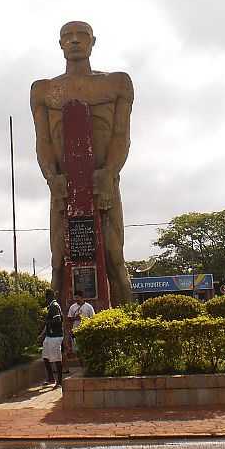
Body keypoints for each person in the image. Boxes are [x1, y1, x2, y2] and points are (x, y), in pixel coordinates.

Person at [30, 21, 134, 305]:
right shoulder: (44, 90)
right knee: (59, 261)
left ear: (93, 41)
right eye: (68, 37)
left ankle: (126, 322)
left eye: (81, 36)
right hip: (64, 186)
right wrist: (52, 177)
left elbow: (121, 134)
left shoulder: (116, 83)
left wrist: (110, 173)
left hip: (103, 182)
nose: (74, 41)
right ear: (60, 43)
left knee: (114, 256)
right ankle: (57, 322)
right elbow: (44, 142)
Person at [40, 289, 64, 388]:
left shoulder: (54, 306)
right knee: (45, 356)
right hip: (49, 336)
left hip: (56, 336)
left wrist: (48, 322)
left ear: (49, 297)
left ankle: (59, 381)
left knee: (57, 358)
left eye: (46, 297)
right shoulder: (50, 307)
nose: (46, 300)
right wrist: (43, 334)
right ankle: (50, 378)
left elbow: (58, 320)